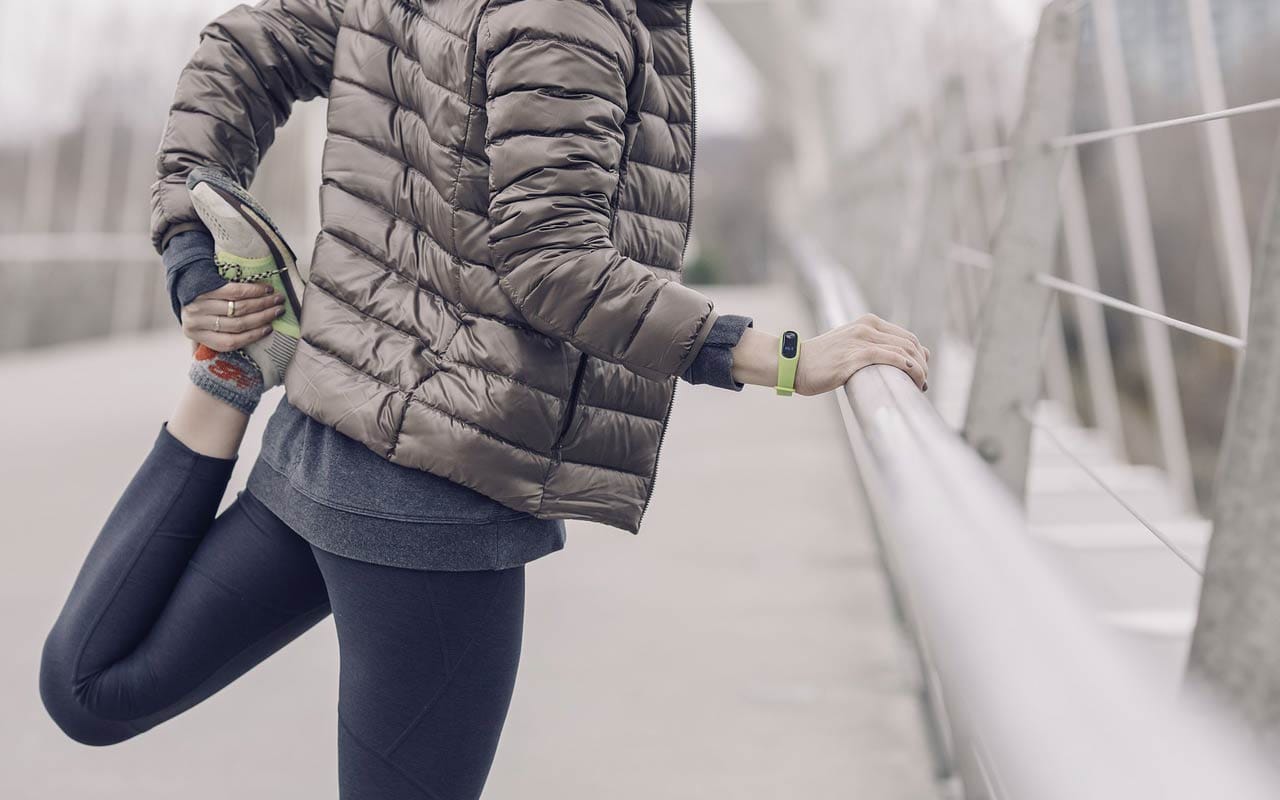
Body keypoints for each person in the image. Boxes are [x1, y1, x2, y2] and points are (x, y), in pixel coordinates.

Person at [38, 0, 930, 797]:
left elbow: (242, 46)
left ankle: (229, 379)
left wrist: (194, 241)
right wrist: (779, 356)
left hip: (318, 442)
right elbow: (553, 263)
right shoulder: (566, 13)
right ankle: (236, 371)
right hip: (437, 504)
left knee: (92, 685)